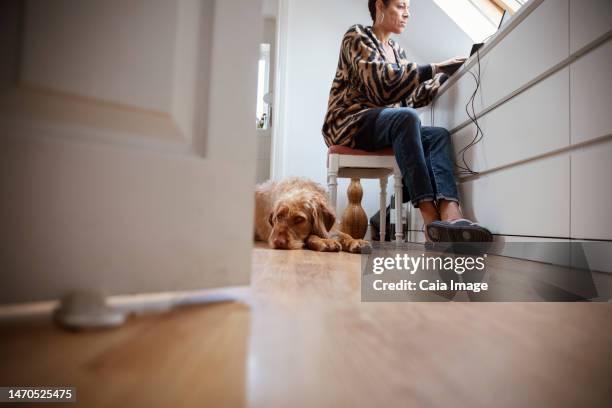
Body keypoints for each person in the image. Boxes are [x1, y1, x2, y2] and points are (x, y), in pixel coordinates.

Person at [322, 0, 492, 243]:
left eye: (408, 8)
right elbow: (381, 85)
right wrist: (435, 68)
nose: (407, 14)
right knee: (406, 119)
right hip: (349, 123)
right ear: (380, 5)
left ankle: (450, 211)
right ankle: (429, 217)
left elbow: (409, 98)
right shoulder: (357, 35)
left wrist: (445, 75)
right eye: (401, 6)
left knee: (438, 136)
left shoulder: (396, 50)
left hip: (383, 124)